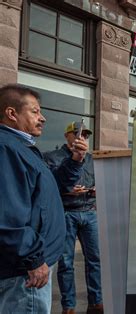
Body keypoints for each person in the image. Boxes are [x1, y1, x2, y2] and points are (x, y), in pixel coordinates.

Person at [0, 84, 87, 313]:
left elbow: (53, 188)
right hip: (26, 275)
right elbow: (7, 215)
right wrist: (33, 259)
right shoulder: (6, 149)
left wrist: (75, 160)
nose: (43, 118)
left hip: (29, 269)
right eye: (35, 111)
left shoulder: (22, 147)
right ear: (11, 114)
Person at [43, 122, 103, 314]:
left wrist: (96, 189)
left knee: (95, 259)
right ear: (67, 135)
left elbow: (99, 182)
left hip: (89, 211)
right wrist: (68, 191)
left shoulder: (92, 159)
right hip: (66, 212)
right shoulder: (52, 157)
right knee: (66, 262)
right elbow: (49, 186)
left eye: (85, 134)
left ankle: (96, 302)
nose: (82, 136)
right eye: (77, 133)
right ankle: (68, 306)